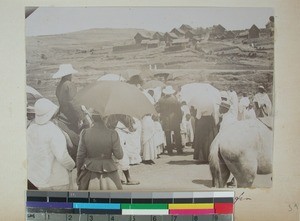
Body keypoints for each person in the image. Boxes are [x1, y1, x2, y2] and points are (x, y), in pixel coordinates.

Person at [27, 98, 75, 191]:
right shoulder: (53, 131)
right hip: (57, 181)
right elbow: (62, 157)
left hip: (37, 180)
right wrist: (72, 165)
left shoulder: (30, 129)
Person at [76, 110, 124, 190]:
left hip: (89, 171)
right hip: (109, 173)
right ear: (106, 118)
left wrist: (79, 174)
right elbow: (119, 155)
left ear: (92, 117)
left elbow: (80, 156)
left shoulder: (85, 133)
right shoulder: (112, 133)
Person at [107, 115, 140, 185]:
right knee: (122, 157)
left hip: (113, 137)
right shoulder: (122, 119)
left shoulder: (112, 117)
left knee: (115, 159)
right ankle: (128, 179)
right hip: (119, 139)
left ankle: (117, 178)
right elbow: (132, 128)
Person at [52, 64, 84, 133]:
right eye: (70, 74)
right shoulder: (69, 84)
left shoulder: (59, 86)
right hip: (71, 116)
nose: (71, 75)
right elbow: (73, 102)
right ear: (68, 74)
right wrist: (81, 117)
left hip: (63, 114)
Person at [157, 86, 183, 154]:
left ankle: (169, 150)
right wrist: (180, 118)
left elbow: (158, 109)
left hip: (165, 118)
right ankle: (179, 149)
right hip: (174, 118)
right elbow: (179, 110)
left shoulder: (161, 100)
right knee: (177, 134)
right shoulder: (174, 100)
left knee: (167, 135)